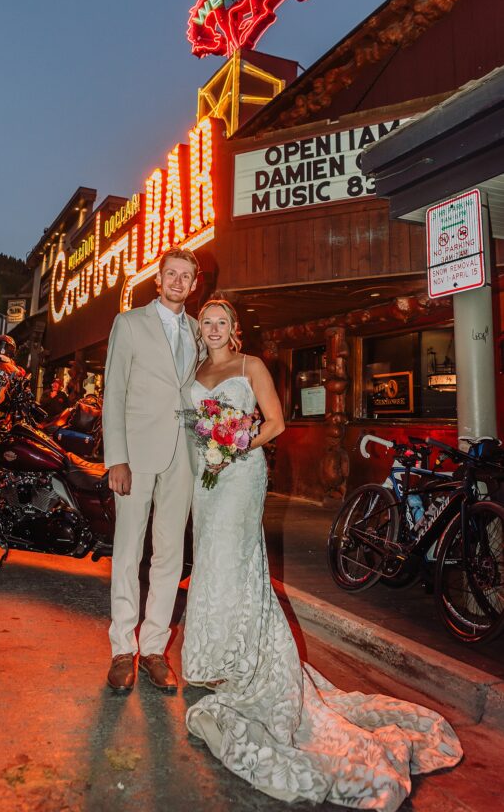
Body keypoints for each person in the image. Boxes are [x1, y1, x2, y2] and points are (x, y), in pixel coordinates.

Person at [181, 298, 462, 812]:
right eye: (207, 323)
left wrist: (235, 444)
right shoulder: (196, 368)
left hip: (240, 476)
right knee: (209, 560)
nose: (215, 329)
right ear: (200, 329)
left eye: (222, 322)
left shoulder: (251, 367)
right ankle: (213, 655)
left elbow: (276, 423)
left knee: (235, 562)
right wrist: (206, 449)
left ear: (234, 329)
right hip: (206, 480)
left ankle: (245, 659)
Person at [102, 246, 200, 693]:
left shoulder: (200, 331)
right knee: (127, 551)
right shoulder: (129, 324)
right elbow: (114, 394)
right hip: (136, 454)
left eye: (186, 276)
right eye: (171, 274)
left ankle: (155, 648)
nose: (178, 282)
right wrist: (116, 458)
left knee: (170, 555)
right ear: (157, 279)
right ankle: (123, 648)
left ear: (195, 284)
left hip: (183, 454)